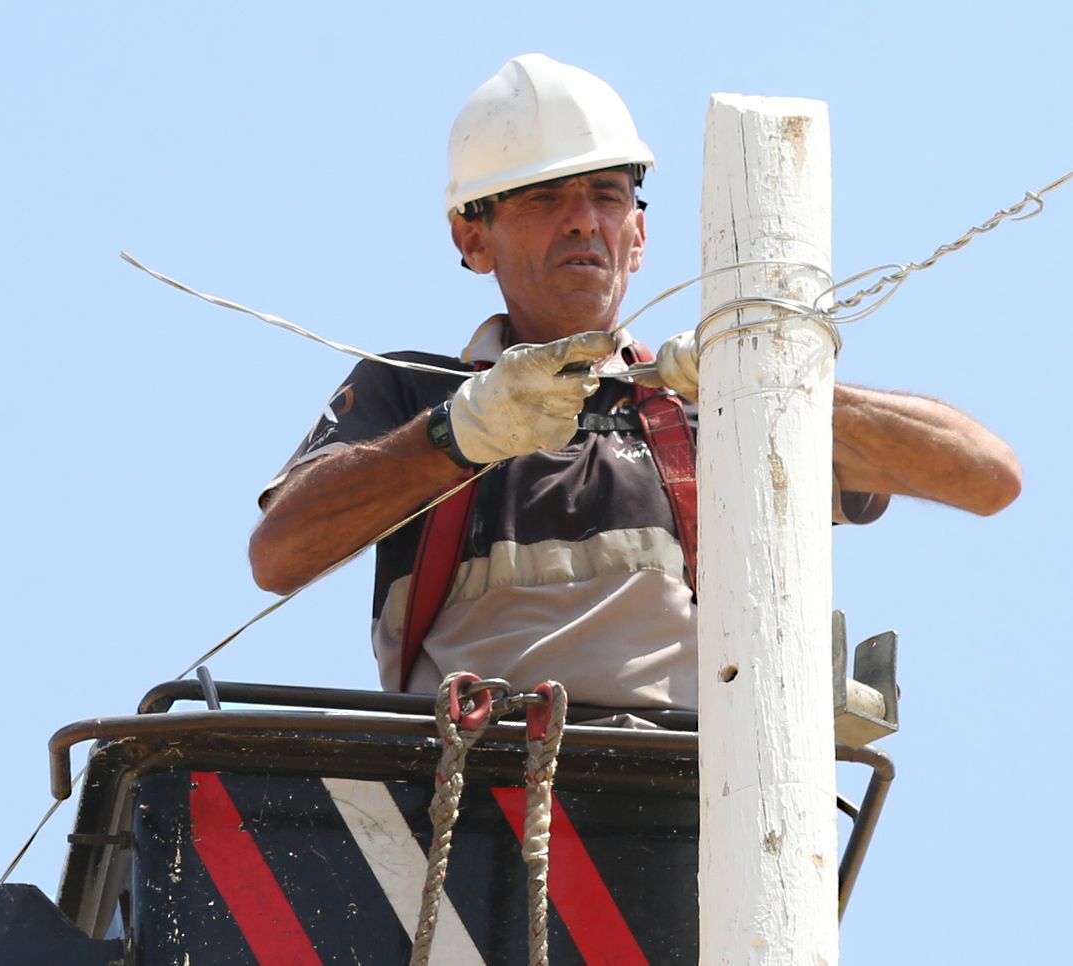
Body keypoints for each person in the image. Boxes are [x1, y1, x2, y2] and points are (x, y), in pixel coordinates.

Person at [249, 54, 1021, 710]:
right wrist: (460, 433)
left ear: (639, 235)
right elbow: (278, 555)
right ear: (471, 236)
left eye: (608, 195)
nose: (584, 220)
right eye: (544, 197)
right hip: (465, 814)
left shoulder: (708, 412)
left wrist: (769, 379)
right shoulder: (412, 396)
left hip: (682, 810)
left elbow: (987, 477)